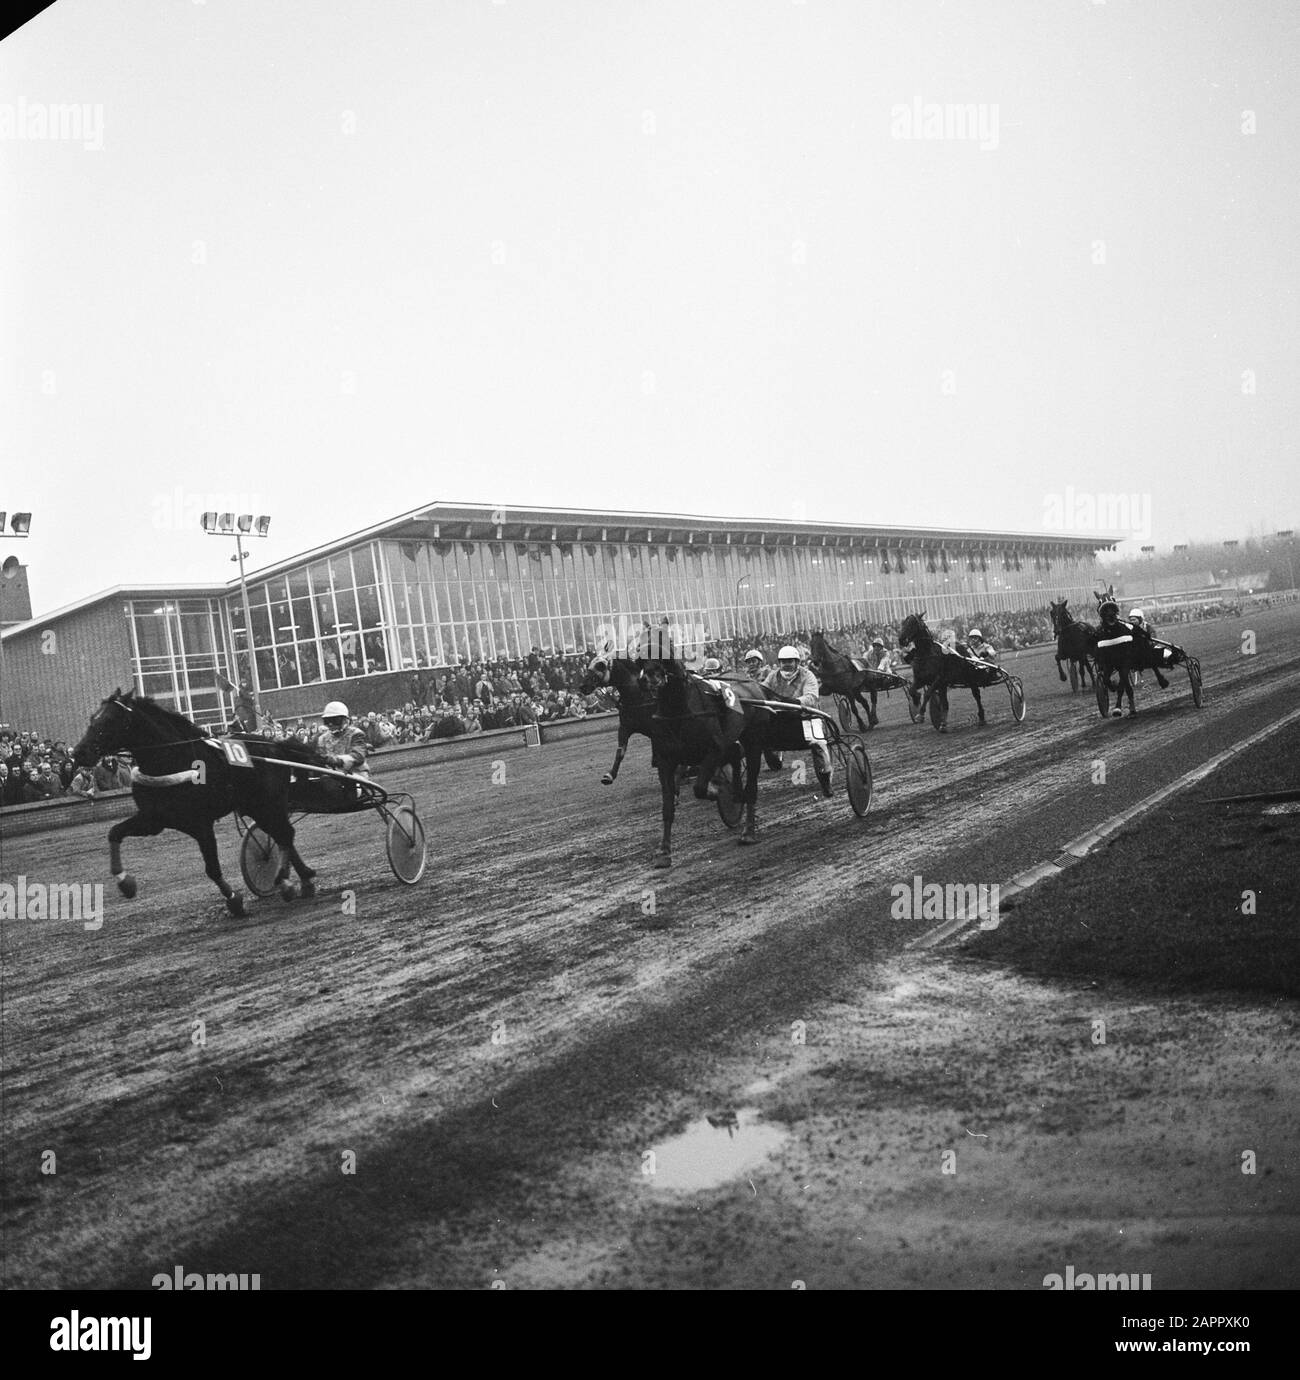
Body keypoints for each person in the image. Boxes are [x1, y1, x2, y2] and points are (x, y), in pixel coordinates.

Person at [762, 645, 833, 796]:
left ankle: (826, 781)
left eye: (790, 661)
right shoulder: (773, 676)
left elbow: (812, 697)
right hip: (781, 720)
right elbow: (762, 690)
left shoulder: (808, 676)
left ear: (797, 662)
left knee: (818, 743)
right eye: (783, 662)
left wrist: (796, 702)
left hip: (807, 717)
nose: (786, 664)